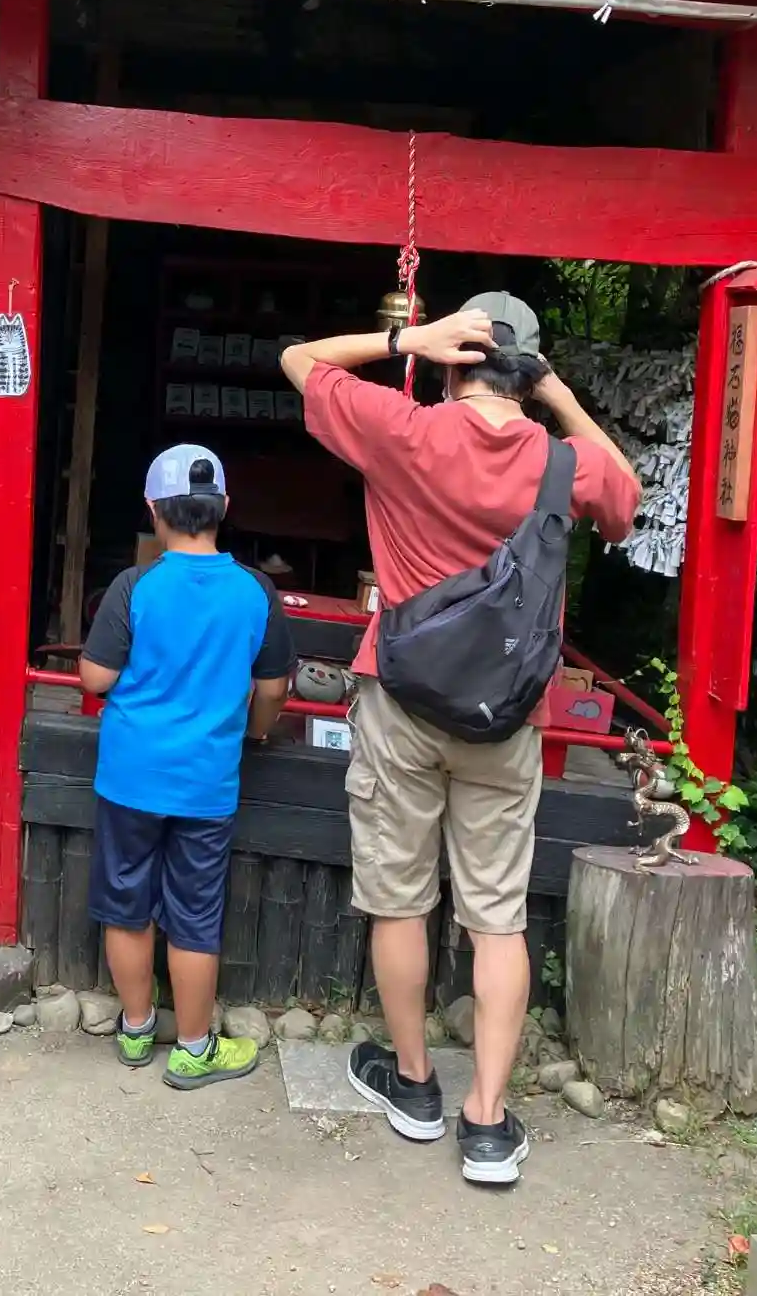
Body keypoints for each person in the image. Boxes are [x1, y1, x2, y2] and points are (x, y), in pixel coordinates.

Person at [281, 294, 640, 1185]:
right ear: (528, 370)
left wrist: (405, 337)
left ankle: (412, 1084)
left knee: (399, 898)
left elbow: (298, 359)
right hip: (509, 711)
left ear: (453, 362)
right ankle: (485, 1121)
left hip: (401, 695)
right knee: (497, 914)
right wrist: (559, 397)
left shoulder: (402, 430)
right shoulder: (561, 463)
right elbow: (626, 499)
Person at [79, 444, 295, 1089]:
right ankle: (195, 1049)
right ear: (223, 507)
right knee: (195, 915)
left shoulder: (135, 585)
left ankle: (136, 1029)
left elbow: (95, 678)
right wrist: (255, 730)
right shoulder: (256, 591)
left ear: (154, 510)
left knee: (126, 906)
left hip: (130, 777)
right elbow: (274, 688)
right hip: (207, 783)